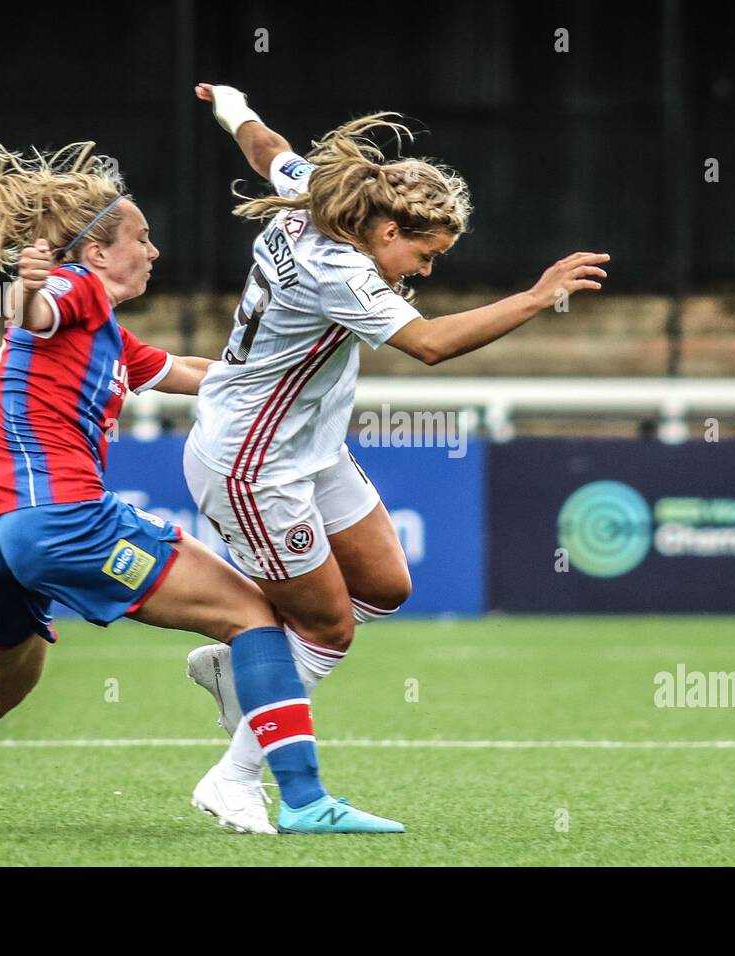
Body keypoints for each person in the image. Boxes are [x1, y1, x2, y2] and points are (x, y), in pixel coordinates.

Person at [0, 140, 400, 835]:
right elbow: (38, 310)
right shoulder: (75, 293)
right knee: (256, 619)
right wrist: (27, 287)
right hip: (62, 521)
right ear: (96, 255)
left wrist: (289, 369)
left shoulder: (109, 339)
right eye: (141, 239)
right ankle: (302, 799)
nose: (154, 251)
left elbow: (204, 375)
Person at [182, 84, 610, 834]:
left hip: (306, 450)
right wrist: (539, 296)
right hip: (253, 464)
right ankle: (236, 779)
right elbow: (432, 345)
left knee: (383, 584)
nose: (424, 269)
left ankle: (242, 672)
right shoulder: (338, 271)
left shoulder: (318, 194)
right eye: (423, 253)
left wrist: (232, 105)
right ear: (384, 229)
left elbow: (265, 149)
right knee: (326, 630)